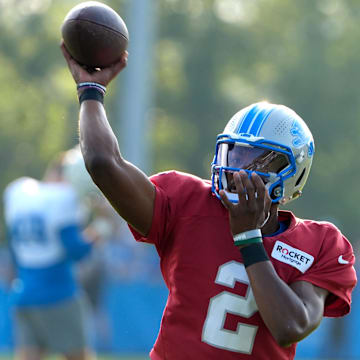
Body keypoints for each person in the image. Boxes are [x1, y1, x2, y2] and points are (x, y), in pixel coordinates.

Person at [61, 43, 357, 360]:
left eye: (255, 160)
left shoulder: (321, 243)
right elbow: (104, 165)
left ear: (291, 172)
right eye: (234, 153)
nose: (236, 169)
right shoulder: (188, 202)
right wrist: (91, 91)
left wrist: (248, 238)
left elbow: (290, 326)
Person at [3, 153, 96, 360]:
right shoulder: (60, 199)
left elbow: (14, 249)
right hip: (58, 294)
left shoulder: (20, 192)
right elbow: (76, 250)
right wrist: (99, 231)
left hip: (24, 293)